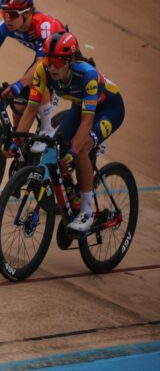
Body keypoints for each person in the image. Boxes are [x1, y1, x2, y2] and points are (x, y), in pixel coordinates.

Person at [13, 32, 124, 232]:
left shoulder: (87, 75)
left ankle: (87, 211)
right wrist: (16, 142)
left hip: (109, 109)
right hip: (79, 107)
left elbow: (87, 122)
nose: (52, 66)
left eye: (57, 61)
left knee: (81, 150)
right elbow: (31, 109)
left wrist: (72, 153)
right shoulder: (42, 70)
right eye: (48, 59)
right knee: (53, 151)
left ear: (70, 61)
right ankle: (73, 195)